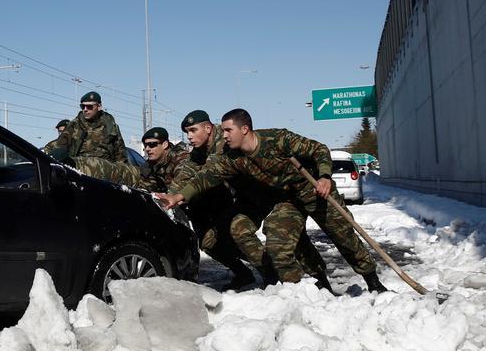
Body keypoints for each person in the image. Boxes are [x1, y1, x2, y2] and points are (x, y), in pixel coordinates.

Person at [157, 108, 386, 293]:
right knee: (281, 240)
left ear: (244, 129)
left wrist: (325, 176)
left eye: (228, 130)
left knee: (343, 235)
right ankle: (319, 283)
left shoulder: (278, 139)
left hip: (315, 191)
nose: (224, 135)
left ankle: (372, 280)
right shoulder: (231, 157)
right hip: (287, 201)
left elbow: (318, 150)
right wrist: (177, 196)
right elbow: (205, 177)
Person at [175, 110, 331, 292]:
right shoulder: (200, 152)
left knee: (294, 240)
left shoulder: (229, 140)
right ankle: (270, 275)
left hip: (276, 193)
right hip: (251, 199)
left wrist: (323, 175)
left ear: (208, 128)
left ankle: (319, 279)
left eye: (193, 131)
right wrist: (173, 196)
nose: (189, 137)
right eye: (187, 132)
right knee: (229, 233)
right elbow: (188, 175)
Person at [72, 126, 186, 191]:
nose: (147, 149)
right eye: (145, 145)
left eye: (152, 145)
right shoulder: (149, 165)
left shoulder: (180, 158)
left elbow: (180, 188)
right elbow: (145, 187)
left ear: (165, 144)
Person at [47, 91, 127, 163]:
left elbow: (120, 155)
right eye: (83, 106)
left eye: (89, 107)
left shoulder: (111, 127)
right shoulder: (74, 126)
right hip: (81, 171)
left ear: (99, 107)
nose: (85, 109)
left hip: (105, 172)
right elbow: (59, 148)